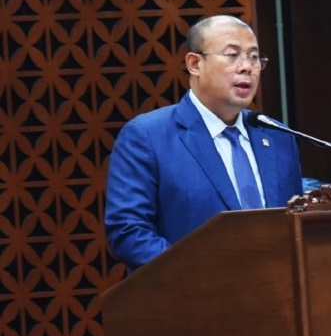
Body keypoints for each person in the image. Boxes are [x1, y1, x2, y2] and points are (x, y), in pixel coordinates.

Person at [104, 15, 303, 271]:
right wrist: (199, 272)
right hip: (190, 298)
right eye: (233, 55)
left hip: (276, 296)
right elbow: (127, 232)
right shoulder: (147, 136)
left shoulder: (277, 136)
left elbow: (296, 219)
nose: (247, 67)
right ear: (195, 63)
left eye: (254, 57)